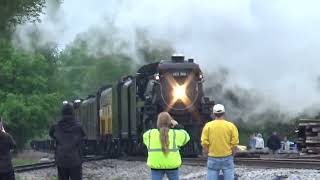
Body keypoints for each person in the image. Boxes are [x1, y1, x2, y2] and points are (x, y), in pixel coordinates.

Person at [143, 112, 190, 180]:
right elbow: (186, 136)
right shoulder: (175, 134)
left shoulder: (150, 134)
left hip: (156, 165)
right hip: (172, 165)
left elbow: (145, 139)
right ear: (170, 123)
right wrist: (177, 125)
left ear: (158, 122)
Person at [201, 104, 239, 180]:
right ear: (224, 113)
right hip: (227, 157)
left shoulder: (208, 126)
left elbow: (204, 143)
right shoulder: (231, 126)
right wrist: (232, 154)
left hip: (212, 158)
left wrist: (206, 154)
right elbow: (234, 143)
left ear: (213, 114)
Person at [49, 103, 86, 180]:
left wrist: (58, 139)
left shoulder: (56, 126)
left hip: (61, 159)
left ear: (62, 113)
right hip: (75, 159)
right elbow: (83, 136)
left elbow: (51, 134)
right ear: (73, 113)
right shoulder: (78, 126)